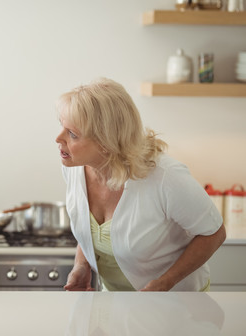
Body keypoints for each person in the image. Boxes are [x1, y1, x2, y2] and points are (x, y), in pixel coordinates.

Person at [55, 77, 226, 292]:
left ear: (106, 142)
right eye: (62, 126)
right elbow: (91, 231)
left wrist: (165, 283)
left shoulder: (166, 177)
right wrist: (82, 264)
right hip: (117, 305)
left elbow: (214, 233)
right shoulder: (75, 168)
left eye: (72, 134)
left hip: (178, 306)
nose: (58, 138)